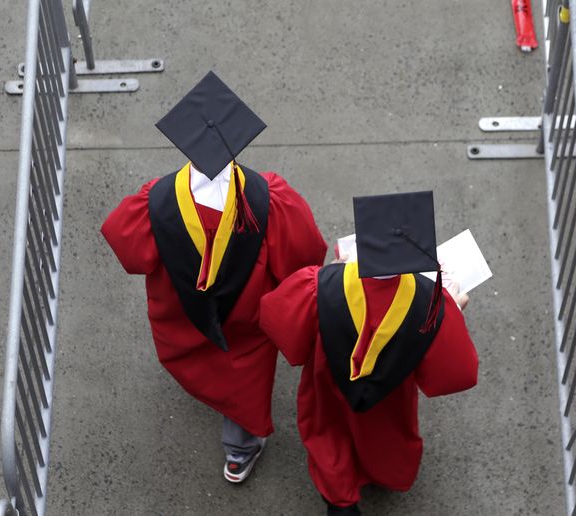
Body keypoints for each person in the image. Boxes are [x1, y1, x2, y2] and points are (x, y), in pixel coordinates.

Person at [101, 71, 327, 483]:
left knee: (203, 363)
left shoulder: (155, 200)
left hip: (182, 319)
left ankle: (219, 409)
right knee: (243, 384)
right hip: (246, 323)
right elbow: (306, 256)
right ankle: (239, 452)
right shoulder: (270, 198)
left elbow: (126, 248)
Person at [259, 191, 479, 515]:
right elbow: (457, 374)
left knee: (329, 437)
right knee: (384, 439)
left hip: (326, 389)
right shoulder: (433, 304)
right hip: (391, 401)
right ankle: (381, 475)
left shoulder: (318, 285)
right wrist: (451, 315)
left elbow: (275, 320)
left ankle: (341, 504)